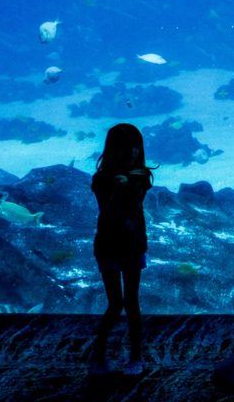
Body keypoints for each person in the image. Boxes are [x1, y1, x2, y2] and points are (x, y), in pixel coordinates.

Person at [88, 122, 155, 377]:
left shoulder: (140, 177)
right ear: (114, 149)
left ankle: (136, 356)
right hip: (107, 245)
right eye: (128, 147)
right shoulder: (101, 179)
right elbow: (107, 214)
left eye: (137, 147)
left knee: (132, 302)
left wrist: (126, 186)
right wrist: (117, 189)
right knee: (115, 303)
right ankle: (98, 354)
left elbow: (135, 208)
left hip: (132, 245)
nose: (134, 152)